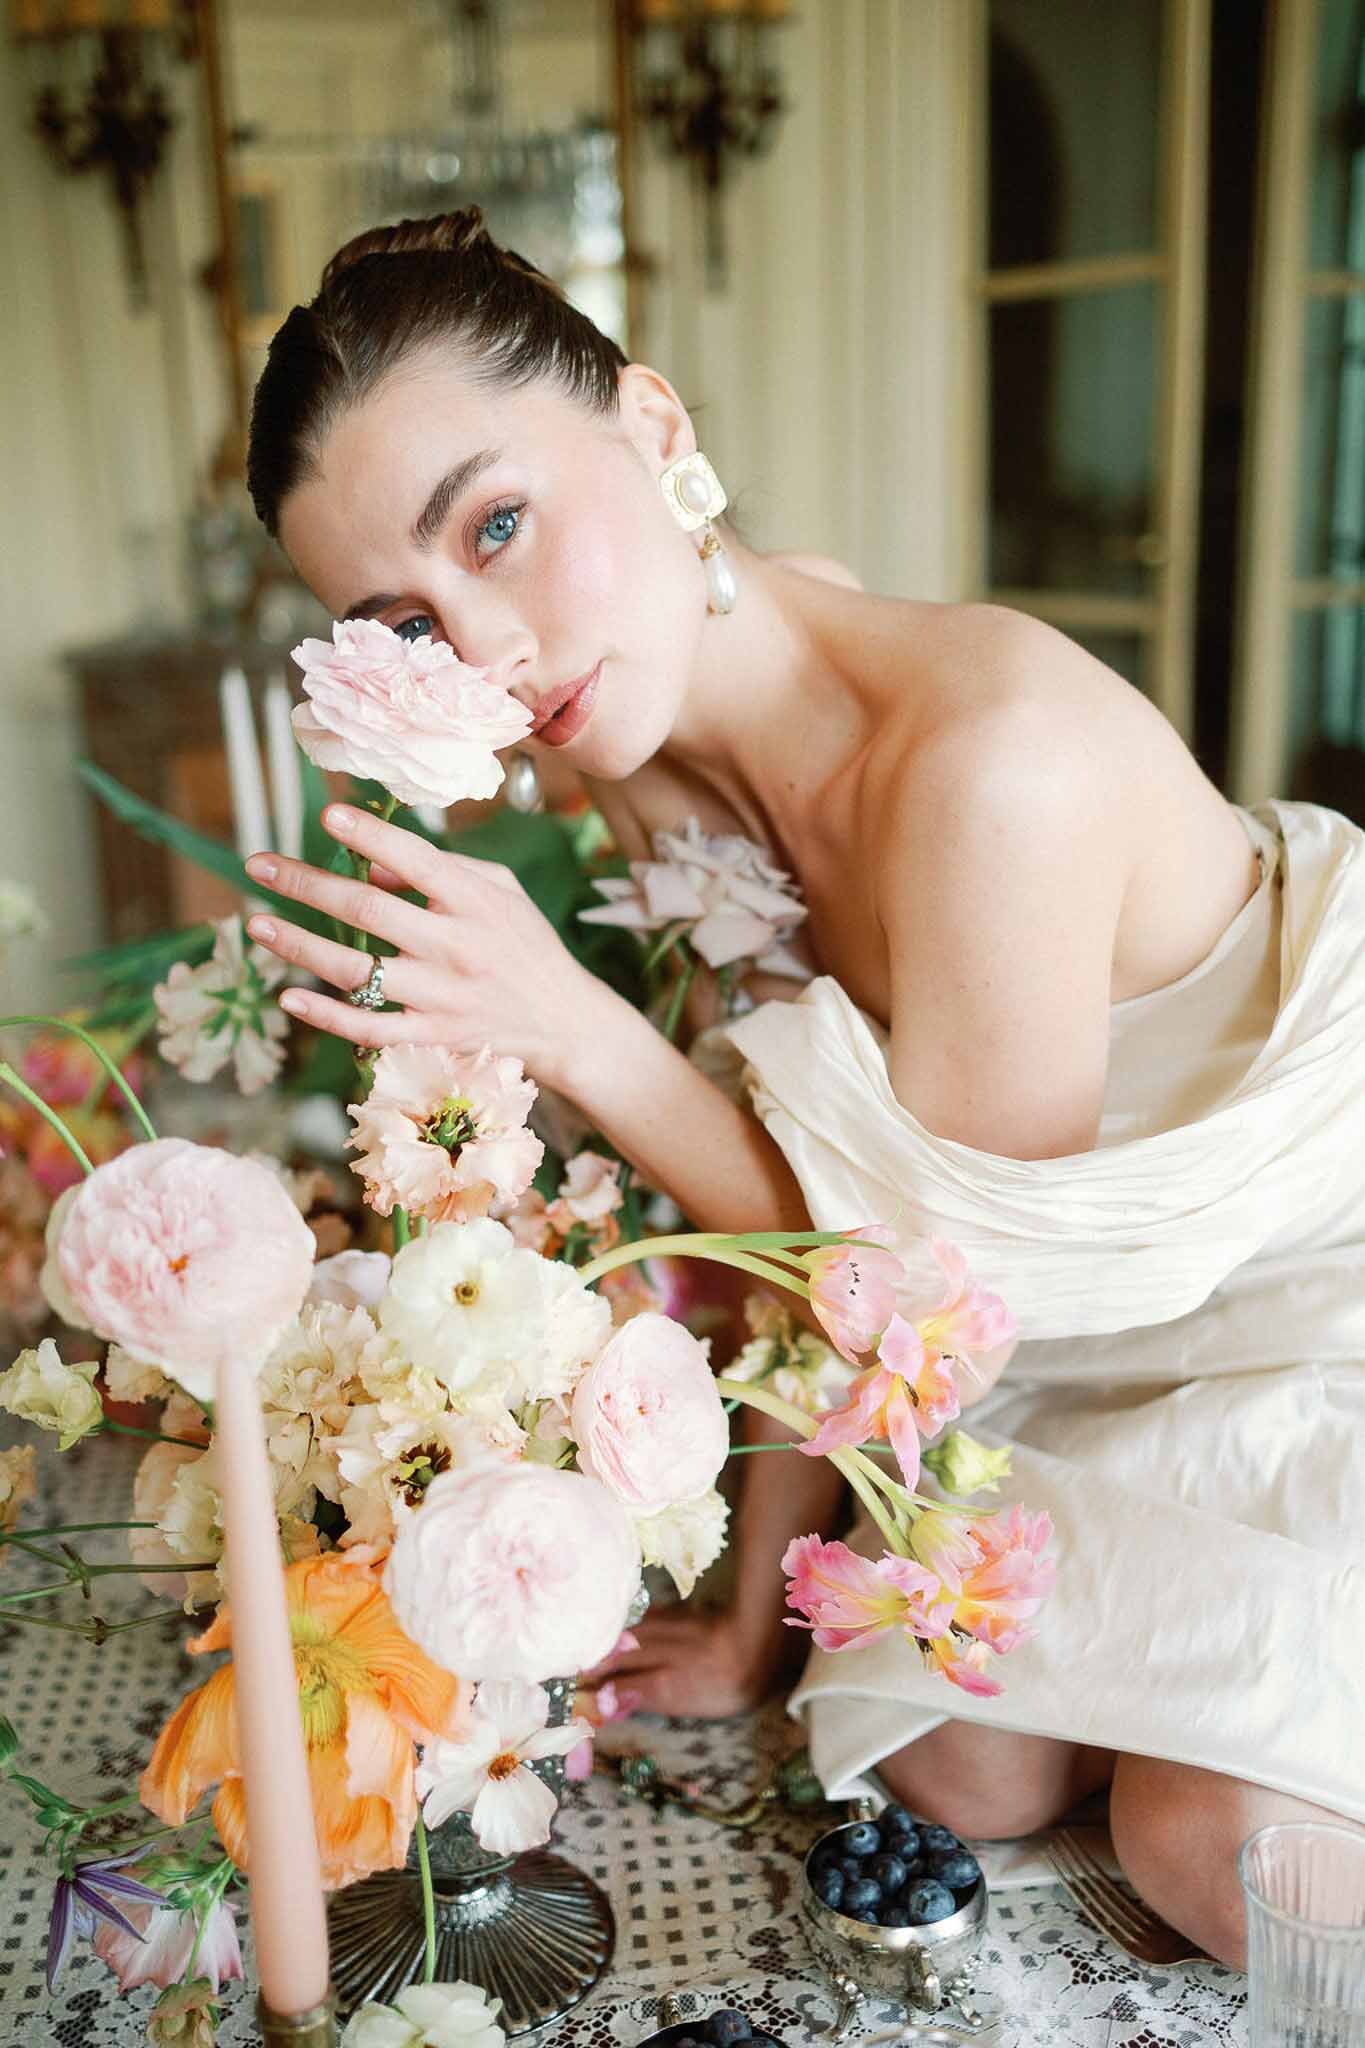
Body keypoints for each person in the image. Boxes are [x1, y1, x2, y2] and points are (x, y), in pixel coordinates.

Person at [241, 210, 1365, 1968]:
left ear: (658, 431)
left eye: (501, 525)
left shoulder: (990, 764)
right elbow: (782, 1214)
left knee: (1213, 1845)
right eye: (406, 619)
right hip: (1052, 1366)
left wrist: (576, 1033)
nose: (491, 655)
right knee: (952, 1767)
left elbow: (932, 1304)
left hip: (1297, 1323)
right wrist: (759, 1621)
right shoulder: (658, 765)